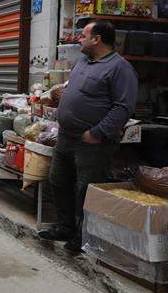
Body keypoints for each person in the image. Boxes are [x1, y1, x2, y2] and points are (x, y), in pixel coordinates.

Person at [39, 20, 138, 254]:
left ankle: (85, 237)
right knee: (58, 181)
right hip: (66, 136)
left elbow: (123, 108)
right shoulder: (83, 61)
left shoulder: (120, 68)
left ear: (97, 39)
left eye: (83, 36)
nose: (78, 39)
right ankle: (65, 227)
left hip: (92, 142)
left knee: (87, 189)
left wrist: (97, 132)